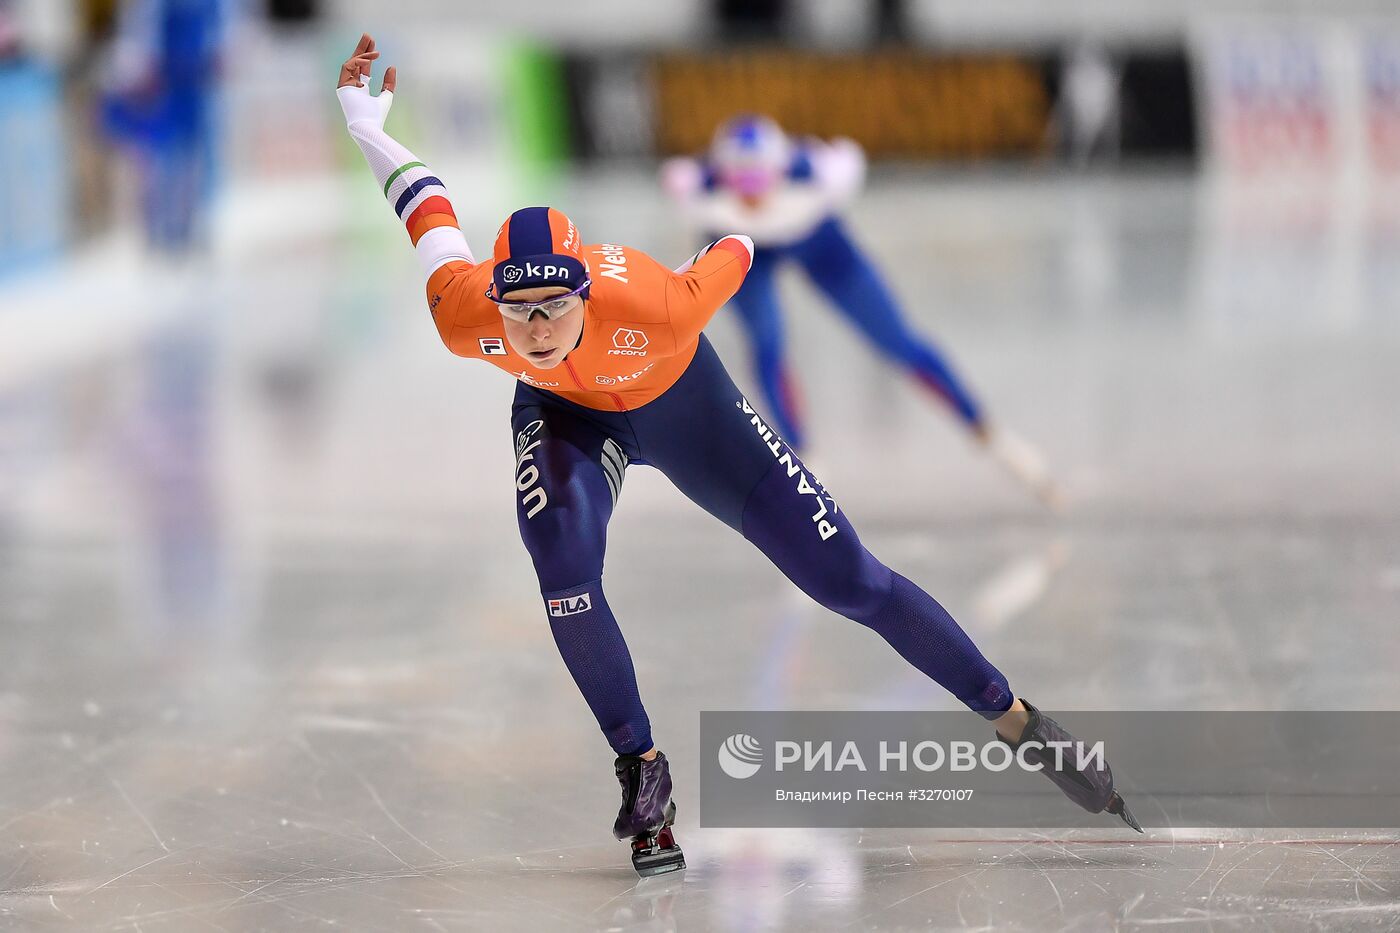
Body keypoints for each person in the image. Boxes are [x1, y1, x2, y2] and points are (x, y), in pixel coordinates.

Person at [335, 35, 1137, 876]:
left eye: (554, 305)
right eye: (518, 308)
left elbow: (738, 250)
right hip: (570, 417)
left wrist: (760, 213)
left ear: (585, 289)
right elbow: (427, 212)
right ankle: (642, 769)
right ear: (493, 299)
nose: (534, 328)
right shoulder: (466, 314)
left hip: (689, 407)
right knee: (561, 563)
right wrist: (366, 123)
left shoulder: (659, 303)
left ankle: (1019, 721)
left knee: (850, 581)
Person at [662, 115, 1061, 507]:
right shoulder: (699, 189)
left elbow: (849, 159)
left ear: (781, 171)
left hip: (818, 240)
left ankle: (992, 437)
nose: (753, 200)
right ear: (722, 176)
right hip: (746, 250)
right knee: (767, 346)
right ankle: (806, 462)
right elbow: (678, 180)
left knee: (898, 340)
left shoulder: (815, 174)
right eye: (741, 186)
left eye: (761, 183)